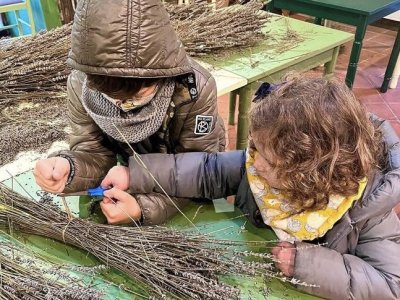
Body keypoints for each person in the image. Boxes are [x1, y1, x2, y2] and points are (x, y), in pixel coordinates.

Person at [120, 77, 400, 299]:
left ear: (308, 177)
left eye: (267, 159)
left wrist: (307, 266)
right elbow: (206, 169)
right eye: (255, 147)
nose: (255, 162)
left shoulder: (370, 210)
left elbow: (389, 284)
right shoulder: (257, 165)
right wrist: (134, 174)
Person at [33, 0, 225, 225]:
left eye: (137, 94)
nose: (123, 104)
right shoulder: (80, 84)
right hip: (127, 173)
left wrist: (143, 208)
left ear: (160, 75)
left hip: (188, 179)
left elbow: (198, 168)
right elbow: (93, 152)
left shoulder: (194, 89)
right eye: (110, 96)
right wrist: (69, 168)